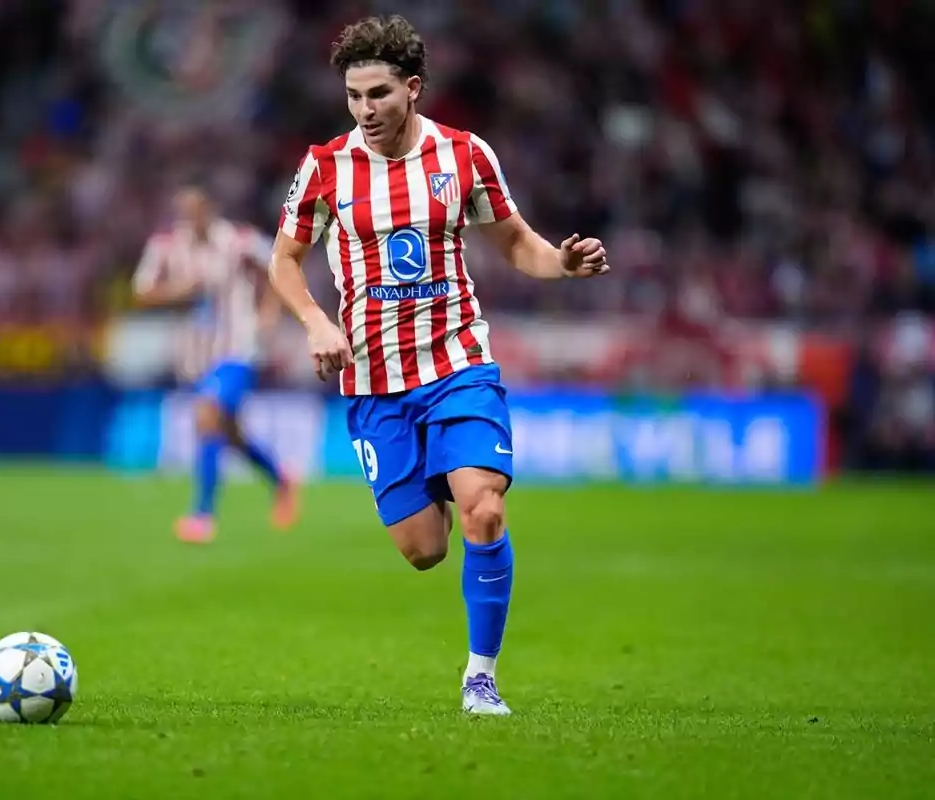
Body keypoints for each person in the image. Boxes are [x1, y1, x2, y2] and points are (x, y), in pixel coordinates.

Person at [268, 15, 610, 715]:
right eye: (354, 95)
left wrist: (563, 264)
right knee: (424, 549)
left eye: (379, 94)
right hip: (374, 384)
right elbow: (283, 261)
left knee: (485, 510)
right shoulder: (326, 167)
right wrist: (313, 319)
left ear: (413, 88)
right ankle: (444, 475)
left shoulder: (464, 155)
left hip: (458, 363)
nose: (365, 110)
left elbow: (516, 242)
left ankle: (480, 676)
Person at [134, 185, 299, 543]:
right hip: (194, 358)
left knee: (207, 416)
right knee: (229, 434)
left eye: (196, 208)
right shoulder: (165, 245)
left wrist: (269, 311)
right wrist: (178, 292)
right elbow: (141, 291)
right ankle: (281, 478)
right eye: (184, 210)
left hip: (237, 349)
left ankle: (202, 514)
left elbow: (279, 262)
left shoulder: (238, 239)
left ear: (209, 207)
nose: (190, 217)